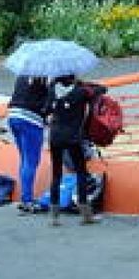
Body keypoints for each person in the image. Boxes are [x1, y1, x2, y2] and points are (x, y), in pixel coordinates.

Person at [44, 75, 105, 225]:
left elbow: (46, 110)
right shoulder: (80, 91)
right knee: (81, 173)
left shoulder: (52, 89)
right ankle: (85, 214)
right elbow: (102, 89)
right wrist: (84, 83)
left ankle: (54, 217)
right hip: (72, 136)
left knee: (56, 174)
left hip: (55, 136)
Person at [7, 75, 49, 213]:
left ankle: (25, 197)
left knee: (25, 159)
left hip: (13, 116)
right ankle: (27, 200)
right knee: (31, 161)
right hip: (31, 119)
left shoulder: (22, 76)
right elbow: (47, 104)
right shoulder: (42, 78)